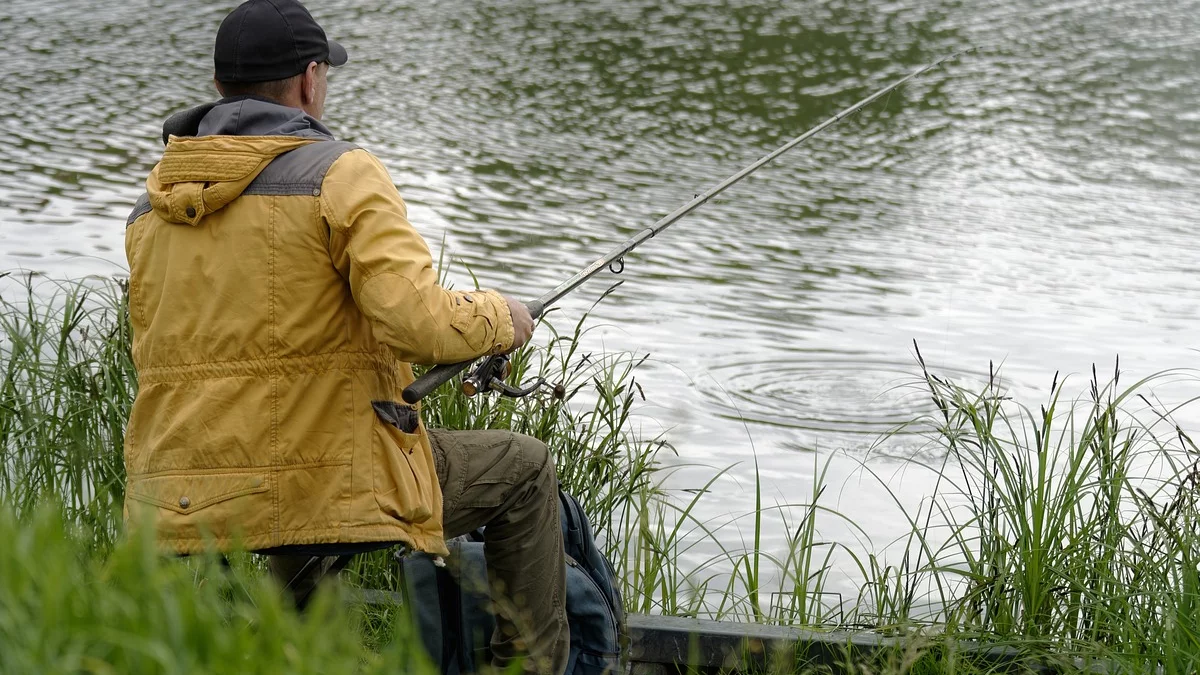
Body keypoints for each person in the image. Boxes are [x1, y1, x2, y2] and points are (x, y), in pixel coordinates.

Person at [122, 1, 568, 672]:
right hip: (312, 477)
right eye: (324, 76)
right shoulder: (339, 173)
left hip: (182, 489)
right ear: (310, 80)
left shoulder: (151, 206)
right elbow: (415, 320)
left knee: (297, 532)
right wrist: (503, 317)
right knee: (524, 468)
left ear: (219, 89)